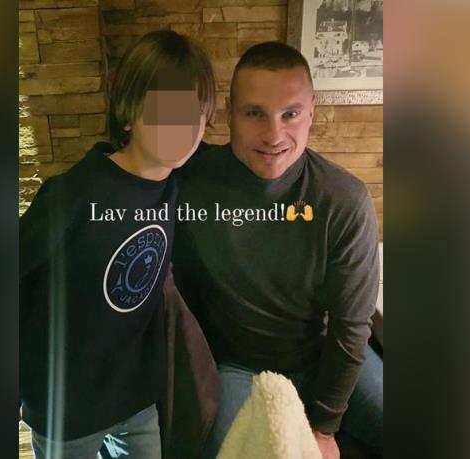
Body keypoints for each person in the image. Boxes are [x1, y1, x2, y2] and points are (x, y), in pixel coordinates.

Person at [172, 42, 382, 459]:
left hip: (322, 355)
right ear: (230, 113)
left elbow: (350, 327)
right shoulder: (189, 182)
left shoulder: (343, 199)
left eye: (290, 114)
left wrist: (323, 429)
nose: (273, 135)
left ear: (312, 112)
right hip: (236, 366)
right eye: (254, 114)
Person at [19, 30, 215, 459]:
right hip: (66, 406)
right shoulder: (74, 195)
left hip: (134, 395)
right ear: (128, 114)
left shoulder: (177, 180)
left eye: (194, 113)